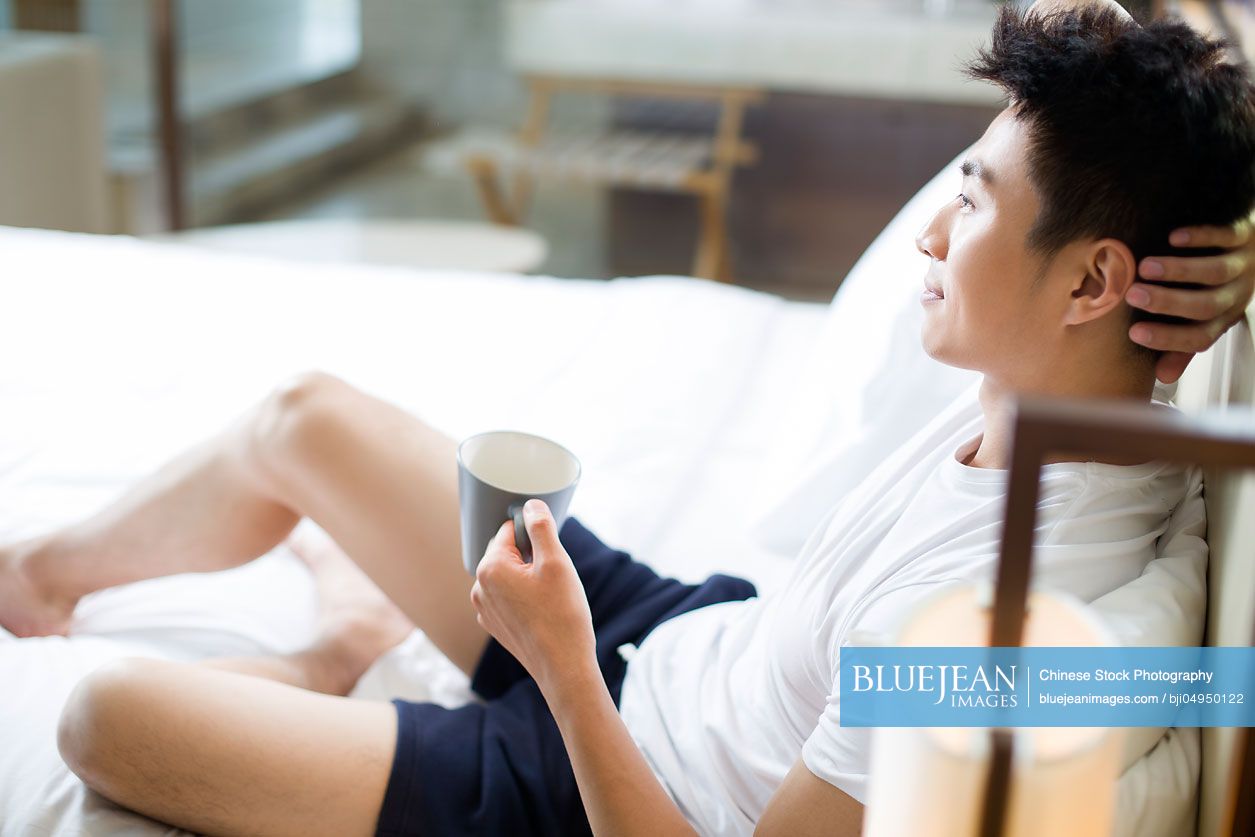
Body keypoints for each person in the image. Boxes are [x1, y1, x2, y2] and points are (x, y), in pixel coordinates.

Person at [1, 2, 1253, 835]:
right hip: (676, 635)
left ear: (1090, 282)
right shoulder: (1052, 388)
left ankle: (337, 654)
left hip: (590, 781)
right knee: (304, 416)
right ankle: (38, 572)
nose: (929, 234)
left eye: (968, 204)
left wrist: (554, 665)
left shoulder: (984, 626)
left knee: (101, 721)